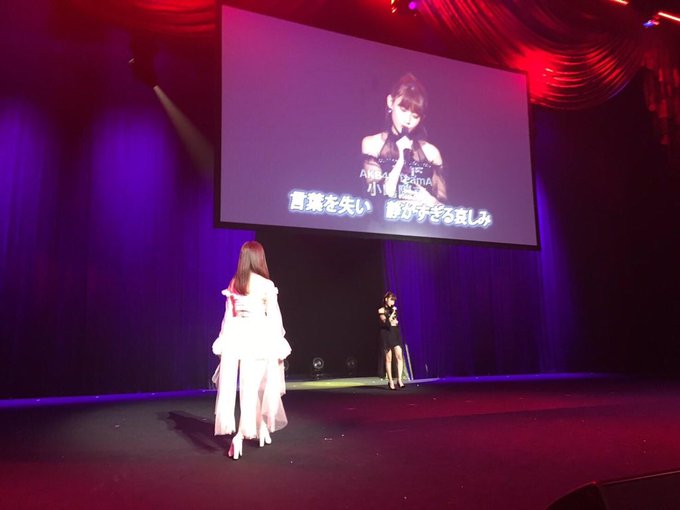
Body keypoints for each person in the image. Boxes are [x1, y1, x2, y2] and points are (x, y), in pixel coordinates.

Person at [211, 241, 291, 460]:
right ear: (259, 259)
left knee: (251, 387)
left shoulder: (235, 283)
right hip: (258, 339)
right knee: (254, 387)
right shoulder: (266, 285)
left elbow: (228, 318)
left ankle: (261, 427)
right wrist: (278, 344)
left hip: (238, 339)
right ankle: (240, 436)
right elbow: (274, 318)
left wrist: (224, 341)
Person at [361, 73, 447, 206]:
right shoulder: (372, 144)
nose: (408, 120)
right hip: (383, 218)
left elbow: (445, 207)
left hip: (420, 218)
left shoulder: (431, 152)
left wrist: (431, 201)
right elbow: (378, 193)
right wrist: (401, 160)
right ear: (390, 102)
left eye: (415, 116)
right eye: (403, 110)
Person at [378, 291, 405, 390]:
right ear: (386, 299)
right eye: (391, 300)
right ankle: (390, 381)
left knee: (399, 355)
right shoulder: (381, 310)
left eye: (394, 300)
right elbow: (386, 322)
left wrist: (394, 320)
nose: (393, 302)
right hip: (386, 334)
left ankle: (399, 380)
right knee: (388, 358)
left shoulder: (393, 310)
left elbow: (395, 322)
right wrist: (393, 314)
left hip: (395, 333)